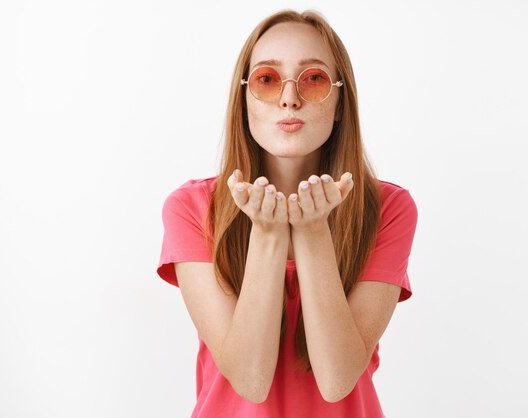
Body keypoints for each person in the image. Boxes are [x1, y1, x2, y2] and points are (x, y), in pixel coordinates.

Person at [157, 9, 418, 418]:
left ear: (338, 104)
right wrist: (269, 233)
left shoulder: (388, 209)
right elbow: (250, 379)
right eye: (267, 79)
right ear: (244, 101)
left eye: (313, 79)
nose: (289, 97)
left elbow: (336, 380)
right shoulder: (191, 209)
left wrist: (313, 231)